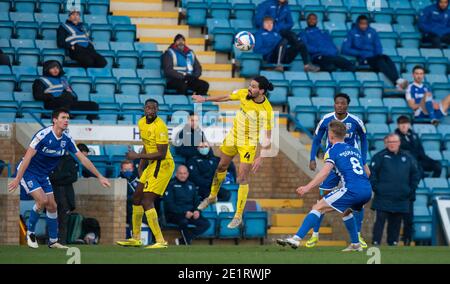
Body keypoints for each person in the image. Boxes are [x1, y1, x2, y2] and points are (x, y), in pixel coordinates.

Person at [7, 108, 111, 249]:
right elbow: (27, 158)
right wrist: (17, 178)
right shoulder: (43, 135)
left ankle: (54, 241)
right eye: (63, 117)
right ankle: (30, 233)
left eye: (68, 118)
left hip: (43, 175)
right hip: (28, 172)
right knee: (42, 200)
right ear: (55, 120)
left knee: (53, 206)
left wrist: (99, 176)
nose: (66, 120)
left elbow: (83, 159)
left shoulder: (67, 139)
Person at [276, 120, 372, 252]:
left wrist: (307, 187)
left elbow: (324, 173)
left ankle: (296, 239)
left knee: (318, 207)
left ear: (330, 136)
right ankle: (356, 244)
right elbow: (367, 172)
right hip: (367, 190)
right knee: (346, 211)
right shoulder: (355, 150)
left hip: (352, 190)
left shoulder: (332, 150)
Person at [192, 76, 274, 228]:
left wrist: (261, 156)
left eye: (254, 87)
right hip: (233, 137)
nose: (250, 88)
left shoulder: (266, 110)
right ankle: (212, 196)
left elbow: (268, 136)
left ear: (262, 91)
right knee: (221, 167)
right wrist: (204, 99)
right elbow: (226, 97)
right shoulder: (244, 94)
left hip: (248, 144)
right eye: (250, 85)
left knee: (242, 178)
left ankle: (238, 216)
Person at [307, 93, 369, 248]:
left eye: (343, 103)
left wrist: (364, 161)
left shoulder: (355, 121)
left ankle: (358, 236)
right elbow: (316, 139)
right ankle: (315, 235)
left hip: (349, 165)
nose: (340, 105)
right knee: (322, 197)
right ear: (334, 104)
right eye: (337, 103)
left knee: (357, 203)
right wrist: (312, 158)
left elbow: (364, 139)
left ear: (348, 105)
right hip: (333, 163)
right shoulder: (326, 119)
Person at [116, 99, 175, 249]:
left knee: (147, 200)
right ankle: (136, 238)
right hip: (151, 164)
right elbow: (147, 145)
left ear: (157, 110)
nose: (150, 110)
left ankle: (160, 240)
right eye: (148, 108)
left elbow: (161, 154)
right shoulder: (141, 122)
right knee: (136, 197)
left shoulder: (160, 126)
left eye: (153, 108)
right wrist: (141, 166)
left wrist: (137, 157)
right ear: (144, 109)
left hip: (163, 164)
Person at [370, 133, 421, 246]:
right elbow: (372, 174)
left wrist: (410, 189)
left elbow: (415, 175)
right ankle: (375, 243)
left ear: (399, 143)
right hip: (383, 197)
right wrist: (377, 188)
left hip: (401, 197)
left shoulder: (408, 157)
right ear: (386, 143)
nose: (392, 144)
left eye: (394, 142)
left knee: (396, 223)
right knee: (379, 222)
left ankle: (393, 243)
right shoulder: (379, 156)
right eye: (390, 142)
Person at [342, 15, 408, 90]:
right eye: (361, 24)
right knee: (380, 61)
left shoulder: (372, 32)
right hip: (363, 59)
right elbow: (345, 49)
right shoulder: (352, 33)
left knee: (386, 58)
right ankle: (397, 81)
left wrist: (377, 54)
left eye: (365, 24)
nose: (363, 26)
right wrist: (360, 53)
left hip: (374, 57)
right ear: (358, 24)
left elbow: (378, 46)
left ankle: (397, 81)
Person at [32, 60, 99, 121]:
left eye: (57, 68)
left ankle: (89, 123)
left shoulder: (63, 80)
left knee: (93, 105)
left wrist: (72, 96)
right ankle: (63, 117)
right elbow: (37, 95)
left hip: (68, 103)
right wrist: (51, 96)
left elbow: (72, 94)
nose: (56, 70)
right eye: (52, 68)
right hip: (53, 104)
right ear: (47, 69)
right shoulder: (40, 80)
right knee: (65, 97)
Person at [164, 165, 210, 245]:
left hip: (190, 213)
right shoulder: (171, 185)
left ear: (188, 174)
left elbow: (196, 201)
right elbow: (169, 205)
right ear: (176, 174)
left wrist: (197, 211)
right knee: (183, 222)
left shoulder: (191, 185)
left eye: (184, 173)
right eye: (180, 173)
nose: (182, 175)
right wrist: (184, 213)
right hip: (175, 215)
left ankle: (184, 240)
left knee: (206, 224)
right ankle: (186, 241)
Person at [254, 16, 319, 72]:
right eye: (267, 23)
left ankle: (306, 65)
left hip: (282, 56)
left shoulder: (276, 34)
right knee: (284, 40)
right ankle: (278, 65)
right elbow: (257, 49)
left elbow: (281, 46)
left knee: (300, 43)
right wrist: (271, 49)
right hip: (270, 57)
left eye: (271, 23)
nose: (269, 25)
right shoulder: (259, 34)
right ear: (263, 24)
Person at [49, 150, 78, 244]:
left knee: (64, 220)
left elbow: (74, 177)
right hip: (53, 194)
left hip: (66, 195)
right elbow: (50, 177)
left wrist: (58, 179)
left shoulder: (70, 160)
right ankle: (50, 240)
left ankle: (62, 241)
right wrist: (65, 175)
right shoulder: (50, 160)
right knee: (51, 218)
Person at [118, 160, 140, 227]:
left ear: (133, 169)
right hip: (123, 211)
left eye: (129, 169)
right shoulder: (117, 181)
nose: (127, 171)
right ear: (121, 170)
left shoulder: (138, 181)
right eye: (125, 169)